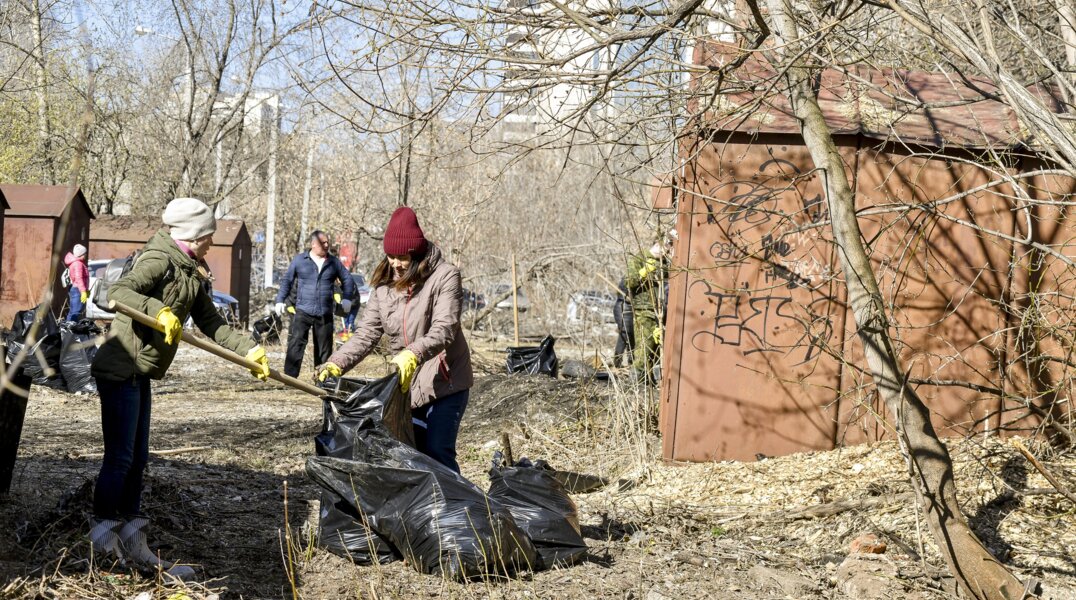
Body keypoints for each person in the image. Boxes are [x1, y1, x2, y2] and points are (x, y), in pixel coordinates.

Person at [88, 197, 270, 578]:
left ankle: (134, 538)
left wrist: (249, 351)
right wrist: (160, 312)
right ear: (192, 235)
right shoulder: (160, 259)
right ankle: (102, 535)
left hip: (141, 372)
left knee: (138, 459)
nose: (211, 243)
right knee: (120, 458)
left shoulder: (189, 269)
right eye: (208, 236)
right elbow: (119, 293)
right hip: (121, 370)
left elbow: (211, 321)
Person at [314, 207, 474, 473]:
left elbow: (445, 328)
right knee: (411, 453)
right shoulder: (384, 287)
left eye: (402, 257)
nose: (396, 263)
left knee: (437, 451)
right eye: (391, 256)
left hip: (445, 381)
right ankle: (419, 512)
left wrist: (413, 353)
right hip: (406, 385)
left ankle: (457, 513)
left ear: (417, 252)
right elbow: (366, 334)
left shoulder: (445, 276)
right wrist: (336, 363)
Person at [274, 231, 355, 377]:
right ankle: (290, 378)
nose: (326, 245)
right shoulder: (300, 260)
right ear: (313, 244)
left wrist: (347, 298)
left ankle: (322, 378)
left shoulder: (334, 262)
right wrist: (280, 300)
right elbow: (287, 280)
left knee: (324, 349)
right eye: (323, 243)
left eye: (327, 242)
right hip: (303, 311)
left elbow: (347, 279)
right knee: (296, 344)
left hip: (324, 313)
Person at [624, 229, 674, 382]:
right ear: (660, 244)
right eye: (667, 247)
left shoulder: (664, 263)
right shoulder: (639, 258)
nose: (668, 251)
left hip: (659, 312)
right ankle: (635, 383)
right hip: (643, 311)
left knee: (655, 351)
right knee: (643, 350)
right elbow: (629, 282)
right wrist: (643, 272)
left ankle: (647, 382)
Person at [612, 276, 635, 368]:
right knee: (625, 334)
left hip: (630, 308)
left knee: (632, 335)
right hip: (623, 307)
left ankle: (632, 361)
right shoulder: (629, 277)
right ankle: (617, 362)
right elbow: (622, 292)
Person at [64, 243, 90, 322]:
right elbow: (79, 278)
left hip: (76, 289)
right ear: (81, 254)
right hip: (77, 290)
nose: (86, 255)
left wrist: (86, 290)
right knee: (76, 312)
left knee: (73, 311)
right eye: (85, 253)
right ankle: (71, 330)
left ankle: (67, 330)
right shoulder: (78, 264)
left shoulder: (76, 263)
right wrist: (83, 292)